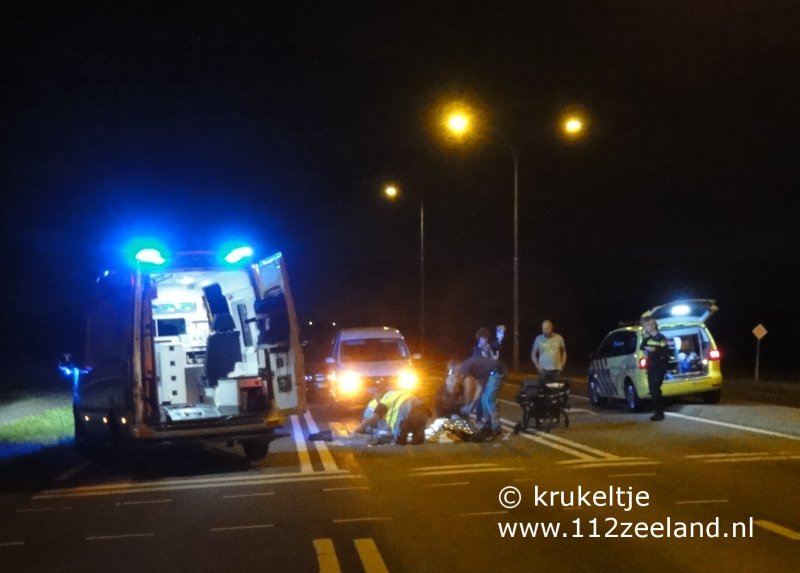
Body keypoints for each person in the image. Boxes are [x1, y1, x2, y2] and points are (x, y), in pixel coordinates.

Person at [458, 354, 508, 441]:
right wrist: (472, 405)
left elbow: (468, 388)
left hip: (497, 371)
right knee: (483, 400)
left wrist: (466, 406)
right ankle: (488, 426)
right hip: (494, 372)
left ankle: (496, 427)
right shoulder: (479, 371)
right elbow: (479, 389)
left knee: (489, 400)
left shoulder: (464, 367)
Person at [357, 388, 431, 444]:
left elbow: (373, 417)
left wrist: (357, 431)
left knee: (398, 437)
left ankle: (405, 453)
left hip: (409, 414)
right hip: (423, 412)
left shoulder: (384, 400)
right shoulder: (398, 393)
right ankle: (419, 453)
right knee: (418, 438)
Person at [639, 316, 671, 421]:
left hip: (659, 367)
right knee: (654, 390)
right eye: (646, 325)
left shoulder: (661, 337)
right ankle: (658, 409)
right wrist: (647, 348)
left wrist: (655, 351)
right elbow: (641, 347)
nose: (646, 327)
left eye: (648, 325)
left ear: (653, 326)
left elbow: (665, 352)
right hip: (651, 367)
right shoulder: (647, 338)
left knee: (654, 390)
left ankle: (659, 413)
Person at [530, 319, 567, 384]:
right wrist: (537, 366)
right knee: (542, 390)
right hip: (543, 370)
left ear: (551, 327)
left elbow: (563, 352)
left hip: (556, 369)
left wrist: (562, 365)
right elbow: (533, 354)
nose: (545, 331)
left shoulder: (559, 338)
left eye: (547, 328)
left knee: (555, 390)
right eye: (543, 329)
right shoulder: (538, 339)